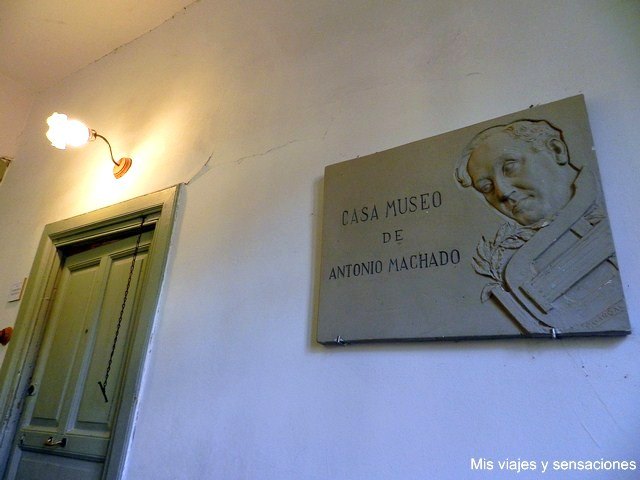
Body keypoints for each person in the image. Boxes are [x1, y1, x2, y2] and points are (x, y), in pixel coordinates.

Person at [455, 119, 628, 336]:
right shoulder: (525, 266)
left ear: (556, 150)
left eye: (509, 167)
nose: (502, 192)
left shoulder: (624, 203)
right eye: (486, 187)